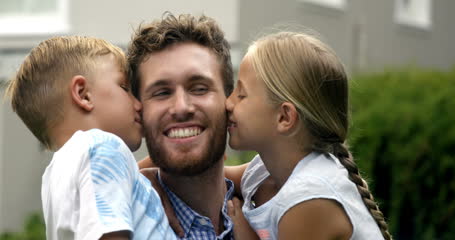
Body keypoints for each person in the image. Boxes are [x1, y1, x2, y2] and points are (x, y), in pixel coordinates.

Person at [4, 36, 177, 240]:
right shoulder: (104, 147)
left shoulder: (54, 176)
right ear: (83, 94)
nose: (138, 104)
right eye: (124, 87)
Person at [225, 31, 393, 240]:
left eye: (241, 95)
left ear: (284, 117)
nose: (228, 103)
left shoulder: (308, 198)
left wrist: (245, 234)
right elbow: (214, 178)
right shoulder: (264, 173)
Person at [127, 13, 236, 239]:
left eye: (199, 88)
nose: (181, 107)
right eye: (162, 93)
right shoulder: (121, 228)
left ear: (230, 101)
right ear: (139, 113)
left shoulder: (276, 216)